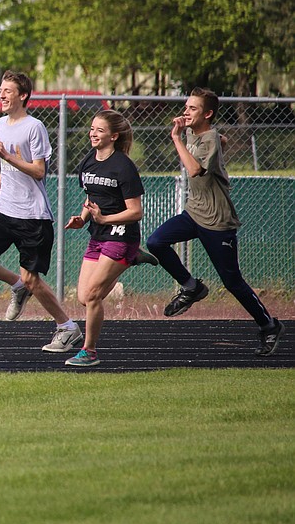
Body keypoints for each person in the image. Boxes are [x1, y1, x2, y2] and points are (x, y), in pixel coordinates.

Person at [145, 88, 284, 356]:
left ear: (207, 114)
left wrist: (176, 139)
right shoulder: (198, 133)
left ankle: (269, 326)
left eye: (193, 108)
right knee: (156, 241)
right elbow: (221, 138)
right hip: (193, 213)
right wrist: (218, 141)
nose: (186, 112)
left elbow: (195, 169)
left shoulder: (204, 136)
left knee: (232, 282)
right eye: (186, 107)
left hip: (217, 221)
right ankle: (191, 286)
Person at [0, 70, 81, 352]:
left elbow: (38, 171)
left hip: (32, 217)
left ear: (23, 95)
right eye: (0, 90)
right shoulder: (0, 123)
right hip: (5, 211)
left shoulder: (34, 127)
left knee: (33, 279)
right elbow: (9, 166)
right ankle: (16, 285)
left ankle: (67, 327)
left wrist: (5, 154)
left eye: (7, 91)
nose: (1, 95)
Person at [62, 110, 150, 367]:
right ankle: (131, 258)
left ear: (113, 136)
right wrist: (83, 218)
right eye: (92, 129)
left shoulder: (124, 166)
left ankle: (89, 352)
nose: (93, 133)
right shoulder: (90, 160)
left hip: (121, 235)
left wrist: (104, 220)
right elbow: (92, 199)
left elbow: (135, 212)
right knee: (83, 297)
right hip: (98, 235)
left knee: (92, 296)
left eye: (99, 130)